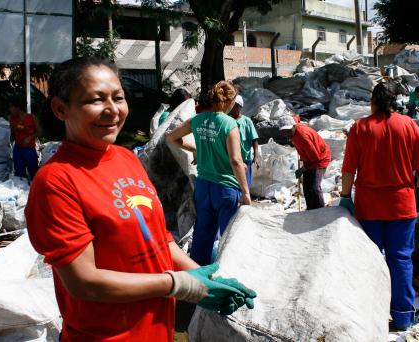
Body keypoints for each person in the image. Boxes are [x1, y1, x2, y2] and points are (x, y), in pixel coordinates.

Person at [24, 58, 255, 342]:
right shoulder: (56, 182)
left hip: (156, 328)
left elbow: (159, 239)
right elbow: (85, 283)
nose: (112, 110)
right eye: (96, 100)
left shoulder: (126, 159)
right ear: (61, 109)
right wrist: (179, 285)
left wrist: (204, 279)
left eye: (118, 98)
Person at [339, 82, 419, 330]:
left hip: (369, 208)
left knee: (370, 260)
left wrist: (346, 196)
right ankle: (402, 316)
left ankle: (371, 315)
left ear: (373, 101)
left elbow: (348, 168)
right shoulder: (410, 126)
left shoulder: (360, 128)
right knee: (400, 260)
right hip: (402, 206)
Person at [166, 81, 251, 266]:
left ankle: (198, 281)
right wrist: (246, 192)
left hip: (204, 187)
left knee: (203, 236)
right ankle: (229, 275)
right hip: (226, 189)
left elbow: (171, 137)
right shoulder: (230, 124)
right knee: (229, 237)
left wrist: (195, 148)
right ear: (229, 101)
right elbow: (236, 160)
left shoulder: (198, 120)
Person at [278, 116, 331, 210]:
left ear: (294, 126)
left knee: (314, 187)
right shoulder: (294, 128)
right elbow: (296, 117)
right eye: (283, 132)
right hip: (309, 159)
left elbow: (315, 158)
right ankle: (311, 209)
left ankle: (320, 211)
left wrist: (303, 169)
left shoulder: (302, 137)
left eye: (288, 131)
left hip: (320, 160)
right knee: (306, 187)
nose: (286, 134)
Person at [228, 95, 259, 187]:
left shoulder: (247, 121)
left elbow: (254, 139)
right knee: (233, 182)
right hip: (232, 158)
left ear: (240, 107)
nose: (232, 108)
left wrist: (256, 156)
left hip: (245, 158)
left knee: (245, 183)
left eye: (235, 105)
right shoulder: (227, 120)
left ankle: (244, 199)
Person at [9, 96, 40, 181]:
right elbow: (12, 133)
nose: (10, 109)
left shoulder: (31, 118)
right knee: (19, 174)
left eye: (11, 107)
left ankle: (35, 190)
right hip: (17, 150)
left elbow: (40, 131)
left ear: (17, 108)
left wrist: (30, 138)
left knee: (33, 172)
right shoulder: (11, 119)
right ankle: (21, 191)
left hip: (29, 150)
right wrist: (10, 139)